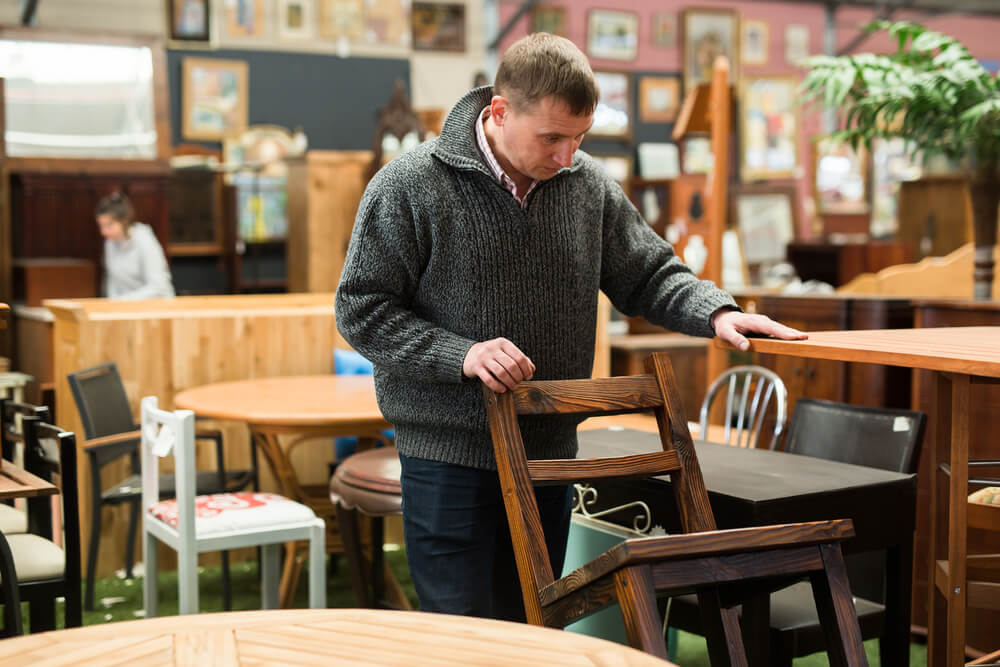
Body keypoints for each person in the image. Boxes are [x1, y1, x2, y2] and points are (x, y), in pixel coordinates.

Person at [335, 33, 805, 622]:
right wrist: (461, 354)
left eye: (578, 138)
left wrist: (716, 311)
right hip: (449, 458)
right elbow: (362, 309)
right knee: (460, 638)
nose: (566, 156)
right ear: (500, 111)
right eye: (551, 138)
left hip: (550, 455)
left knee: (534, 629)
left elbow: (649, 274)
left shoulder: (588, 185)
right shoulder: (408, 185)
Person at [95, 192, 175, 300]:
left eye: (109, 225)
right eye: (101, 226)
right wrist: (112, 304)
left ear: (124, 221)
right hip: (125, 307)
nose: (103, 232)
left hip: (155, 306)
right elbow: (112, 281)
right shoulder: (109, 242)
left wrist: (121, 301)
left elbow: (158, 287)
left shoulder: (145, 241)